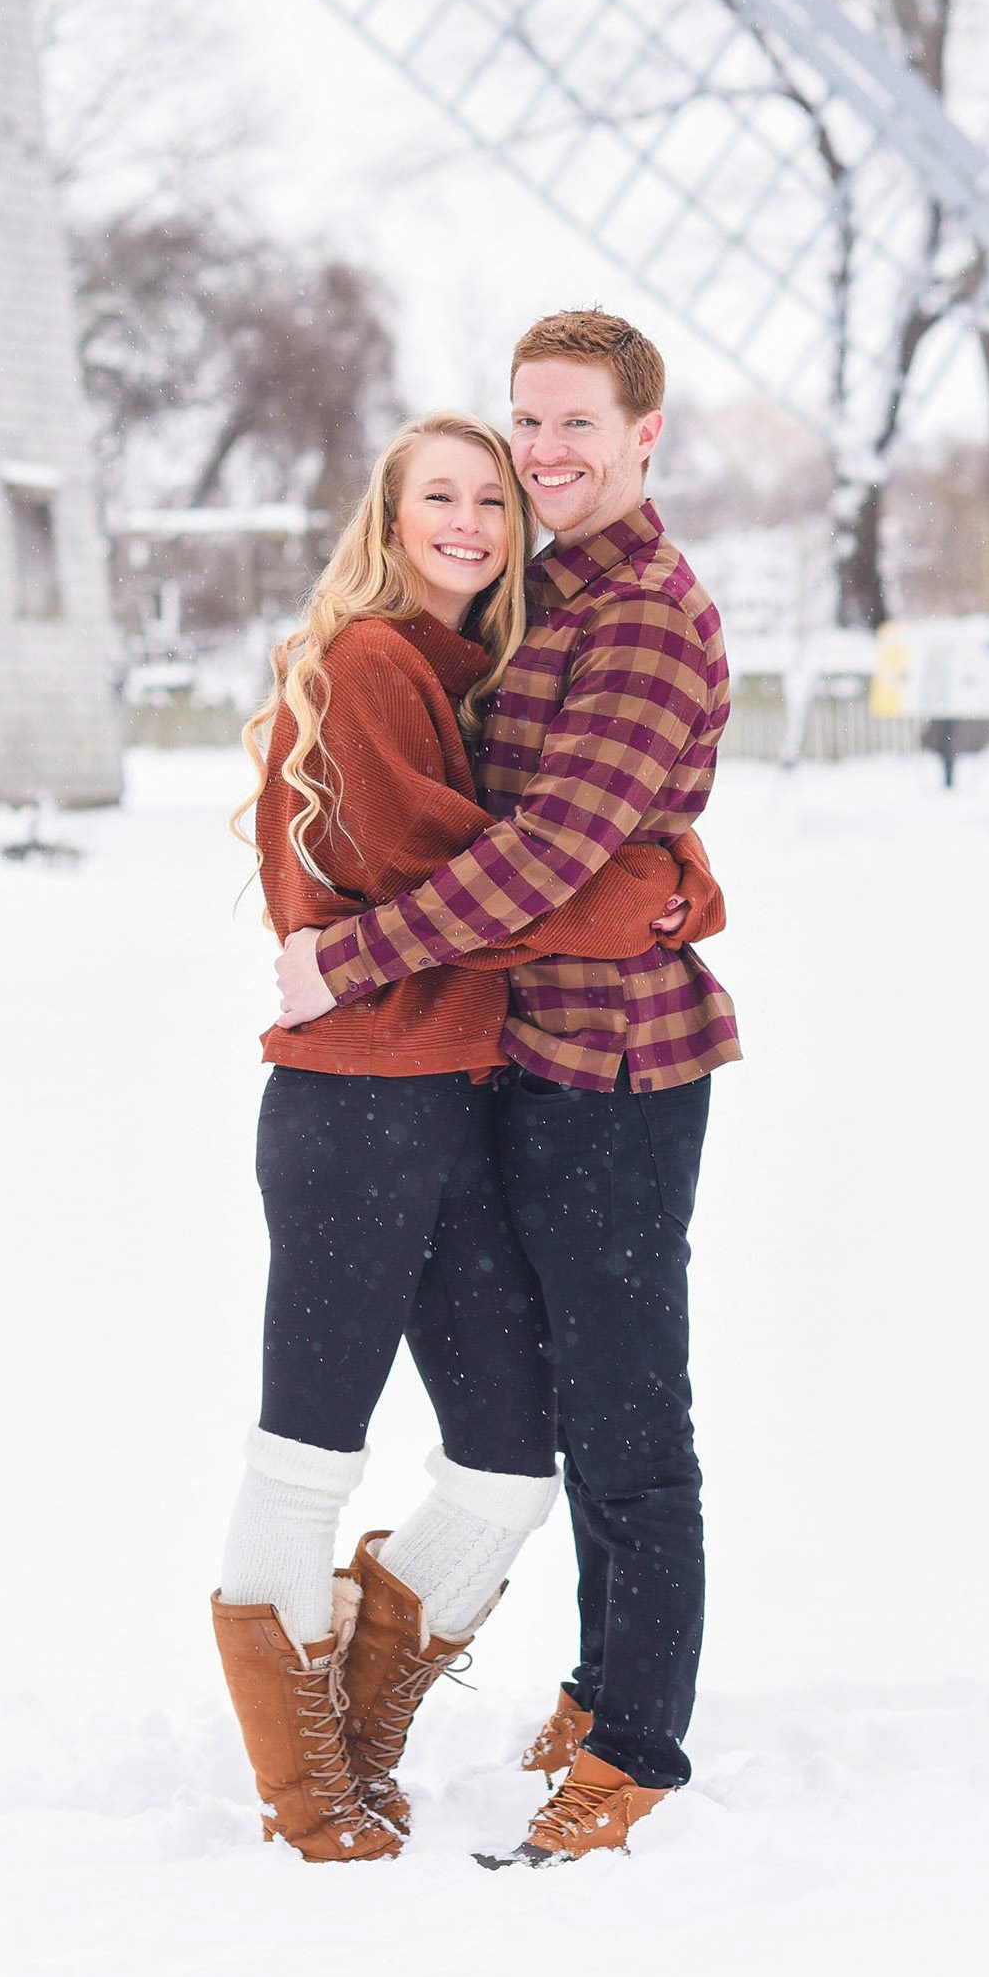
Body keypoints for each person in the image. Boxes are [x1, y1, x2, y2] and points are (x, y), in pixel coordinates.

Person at [213, 410, 722, 1865]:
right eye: (437, 497)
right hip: (354, 1113)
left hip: (461, 1107)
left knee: (504, 1467)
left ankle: (358, 1736)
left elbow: (508, 867)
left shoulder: (469, 676)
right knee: (306, 1459)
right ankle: (305, 1787)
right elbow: (480, 883)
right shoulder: (372, 662)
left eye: (491, 501)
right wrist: (654, 895)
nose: (470, 523)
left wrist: (640, 872)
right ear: (386, 520)